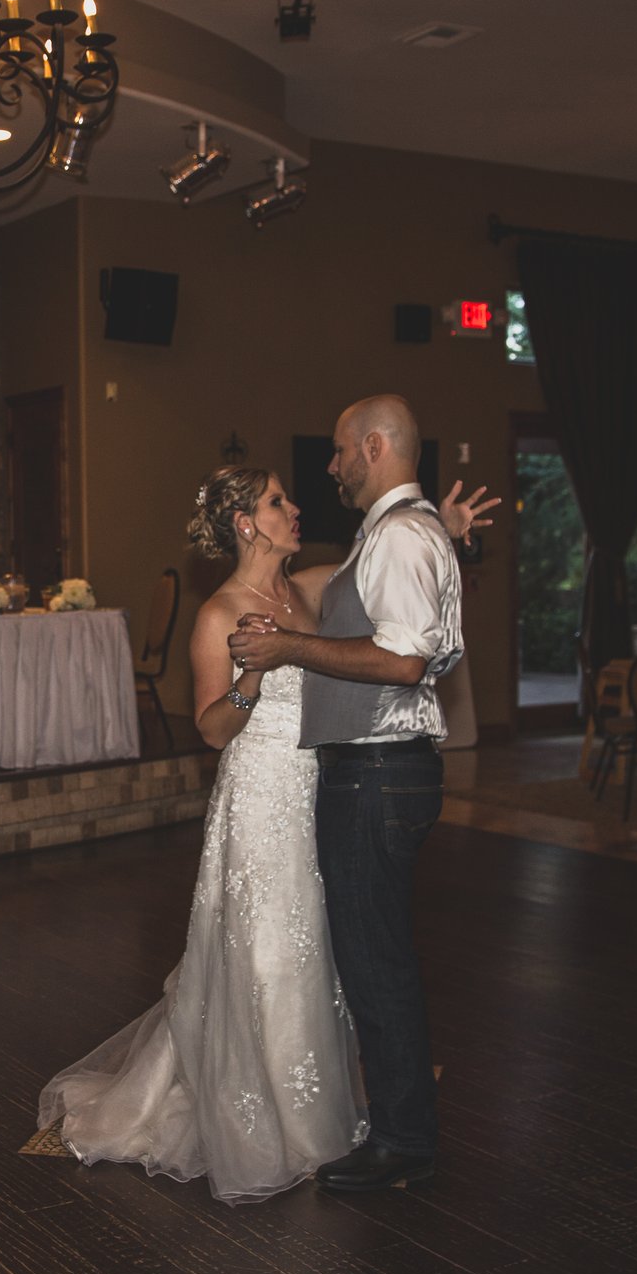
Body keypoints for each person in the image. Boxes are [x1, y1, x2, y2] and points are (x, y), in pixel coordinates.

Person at [37, 459, 495, 1202]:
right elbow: (214, 730)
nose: (295, 508)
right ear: (248, 523)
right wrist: (249, 682)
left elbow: (373, 564)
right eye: (279, 501)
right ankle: (263, 1125)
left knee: (314, 952)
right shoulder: (218, 613)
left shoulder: (306, 589)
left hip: (317, 787)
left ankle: (316, 1114)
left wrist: (442, 526)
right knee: (267, 954)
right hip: (256, 795)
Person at [230, 396, 494, 1193]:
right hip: (376, 769)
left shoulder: (402, 535)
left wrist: (287, 647)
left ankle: (404, 1138)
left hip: (378, 770)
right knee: (375, 955)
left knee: (376, 962)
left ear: (375, 447)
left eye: (343, 452)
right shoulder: (401, 535)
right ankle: (399, 1127)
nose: (333, 466)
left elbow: (405, 661)